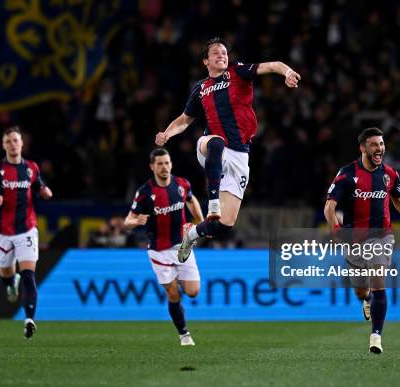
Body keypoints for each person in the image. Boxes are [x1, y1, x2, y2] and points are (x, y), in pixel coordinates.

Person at [155, 37, 300, 262]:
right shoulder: (201, 88)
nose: (222, 55)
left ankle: (191, 234)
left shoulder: (238, 72)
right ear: (205, 61)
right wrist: (167, 133)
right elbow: (185, 119)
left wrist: (288, 73)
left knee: (224, 223)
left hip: (239, 155)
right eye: (216, 53)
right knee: (216, 143)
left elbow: (273, 65)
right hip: (210, 146)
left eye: (224, 52)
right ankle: (212, 201)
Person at [324, 127, 400, 354]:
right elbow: (330, 206)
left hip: (381, 236)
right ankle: (366, 300)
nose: (380, 149)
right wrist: (336, 229)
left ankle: (376, 336)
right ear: (363, 147)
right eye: (375, 144)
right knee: (361, 292)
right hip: (353, 240)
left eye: (382, 144)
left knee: (378, 279)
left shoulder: (390, 174)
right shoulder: (347, 175)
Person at [0, 126, 53, 339]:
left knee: (29, 274)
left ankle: (29, 319)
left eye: (15, 140)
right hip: (2, 231)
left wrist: (44, 191)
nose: (12, 144)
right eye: (8, 141)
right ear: (3, 145)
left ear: (22, 143)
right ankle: (11, 284)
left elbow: (37, 185)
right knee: (7, 278)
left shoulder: (31, 168)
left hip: (26, 230)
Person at [124, 148, 204, 346]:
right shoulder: (144, 193)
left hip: (182, 245)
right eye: (159, 163)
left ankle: (179, 270)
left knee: (193, 292)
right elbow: (128, 219)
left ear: (171, 164)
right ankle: (184, 334)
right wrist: (136, 221)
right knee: (173, 294)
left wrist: (201, 221)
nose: (164, 167)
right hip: (159, 250)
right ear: (152, 167)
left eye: (167, 163)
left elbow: (191, 200)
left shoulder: (182, 184)